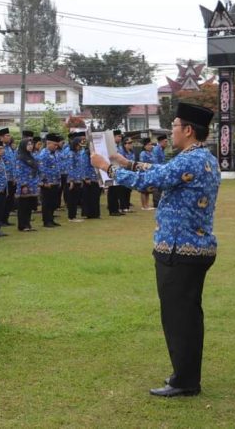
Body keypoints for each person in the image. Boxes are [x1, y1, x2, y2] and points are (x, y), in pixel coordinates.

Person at [91, 102, 220, 398]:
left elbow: (149, 181)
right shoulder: (202, 158)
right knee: (188, 316)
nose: (170, 132)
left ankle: (185, 381)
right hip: (195, 248)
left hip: (180, 251)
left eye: (173, 126)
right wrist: (126, 162)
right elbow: (162, 171)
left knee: (179, 318)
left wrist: (107, 168)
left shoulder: (189, 160)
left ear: (187, 130)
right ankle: (186, 375)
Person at [36, 133, 62, 228]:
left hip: (55, 181)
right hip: (48, 183)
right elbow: (41, 169)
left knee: (53, 202)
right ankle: (46, 221)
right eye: (54, 145)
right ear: (48, 143)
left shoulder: (55, 154)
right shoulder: (43, 154)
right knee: (47, 202)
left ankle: (51, 219)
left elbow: (58, 167)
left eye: (56, 145)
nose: (56, 147)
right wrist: (44, 182)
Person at [14, 136, 39, 232]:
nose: (30, 146)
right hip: (24, 184)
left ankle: (28, 224)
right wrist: (23, 185)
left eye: (31, 144)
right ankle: (22, 225)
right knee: (23, 206)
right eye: (28, 144)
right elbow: (19, 172)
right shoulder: (20, 157)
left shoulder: (31, 156)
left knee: (29, 206)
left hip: (32, 184)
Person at [107, 129, 124, 217]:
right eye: (118, 136)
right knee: (112, 190)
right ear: (113, 137)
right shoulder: (111, 146)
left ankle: (116, 208)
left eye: (121, 136)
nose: (120, 138)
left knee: (117, 190)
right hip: (112, 168)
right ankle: (112, 209)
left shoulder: (119, 147)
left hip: (118, 169)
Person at [139, 138, 157, 211]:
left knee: (148, 190)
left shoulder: (151, 153)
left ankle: (147, 205)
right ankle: (144, 206)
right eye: (149, 144)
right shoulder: (143, 153)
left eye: (151, 144)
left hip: (150, 173)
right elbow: (143, 164)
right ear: (145, 146)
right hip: (144, 173)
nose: (150, 146)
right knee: (143, 190)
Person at [152, 134, 169, 208]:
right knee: (156, 187)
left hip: (161, 169)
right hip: (157, 170)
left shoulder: (161, 149)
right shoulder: (157, 149)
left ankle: (159, 202)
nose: (166, 143)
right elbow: (155, 161)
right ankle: (156, 203)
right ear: (161, 141)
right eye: (165, 141)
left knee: (160, 187)